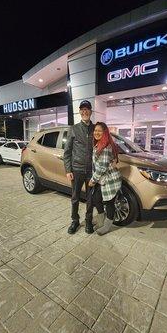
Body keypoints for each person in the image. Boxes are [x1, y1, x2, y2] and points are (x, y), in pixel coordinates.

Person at [64, 100, 94, 234]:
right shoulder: (74, 129)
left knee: (90, 198)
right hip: (76, 169)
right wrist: (68, 170)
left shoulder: (96, 129)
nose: (84, 111)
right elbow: (67, 152)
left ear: (91, 111)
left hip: (92, 172)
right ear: (80, 112)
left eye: (87, 109)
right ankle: (75, 221)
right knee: (75, 197)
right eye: (82, 109)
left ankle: (88, 221)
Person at [88, 122, 122, 235]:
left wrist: (93, 180)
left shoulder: (106, 146)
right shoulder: (99, 144)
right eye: (95, 130)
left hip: (109, 180)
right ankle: (101, 219)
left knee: (109, 203)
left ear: (105, 132)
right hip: (102, 179)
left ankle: (107, 226)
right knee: (97, 199)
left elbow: (102, 166)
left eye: (99, 131)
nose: (96, 133)